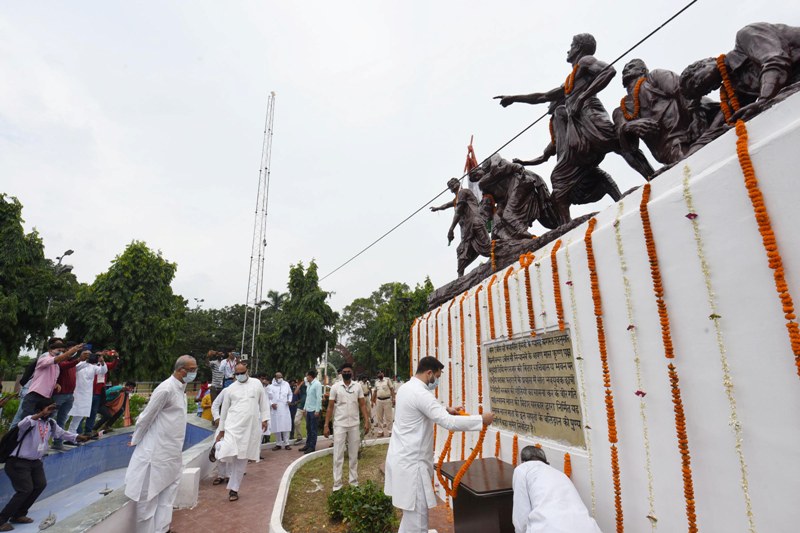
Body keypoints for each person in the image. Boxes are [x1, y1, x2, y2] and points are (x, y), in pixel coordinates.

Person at [384, 356, 494, 533]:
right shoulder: (421, 393)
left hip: (402, 460)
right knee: (417, 522)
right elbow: (449, 423)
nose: (437, 381)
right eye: (437, 376)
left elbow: (422, 411)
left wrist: (446, 409)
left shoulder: (406, 388)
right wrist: (482, 420)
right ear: (429, 373)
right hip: (413, 466)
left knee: (410, 518)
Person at [124, 355, 197, 533]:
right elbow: (146, 417)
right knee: (147, 500)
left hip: (172, 453)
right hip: (155, 453)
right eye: (192, 370)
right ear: (181, 370)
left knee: (167, 499)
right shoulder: (166, 389)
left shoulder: (182, 389)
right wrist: (136, 439)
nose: (195, 373)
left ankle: (162, 529)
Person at [0, 397, 89, 531]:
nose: (52, 411)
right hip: (18, 463)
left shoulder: (50, 424)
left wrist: (77, 437)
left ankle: (18, 514)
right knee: (25, 489)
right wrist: (40, 414)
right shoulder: (30, 421)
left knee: (40, 485)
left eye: (54, 409)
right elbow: (22, 424)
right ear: (41, 409)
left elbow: (62, 434)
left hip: (35, 462)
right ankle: (1, 520)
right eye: (50, 408)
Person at [512, 446, 601, 533]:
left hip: (549, 528)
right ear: (545, 461)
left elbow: (521, 514)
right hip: (588, 528)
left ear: (523, 461)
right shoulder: (560, 473)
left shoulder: (522, 469)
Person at [216, 363, 269, 501]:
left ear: (247, 371)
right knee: (226, 451)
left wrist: (265, 419)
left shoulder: (257, 384)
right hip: (232, 426)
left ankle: (234, 489)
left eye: (242, 372)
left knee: (241, 460)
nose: (239, 375)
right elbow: (224, 410)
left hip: (249, 428)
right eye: (237, 373)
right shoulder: (230, 389)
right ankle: (216, 449)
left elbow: (263, 402)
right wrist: (221, 429)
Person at [14, 340, 85, 427]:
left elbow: (50, 376)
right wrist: (73, 351)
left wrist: (55, 383)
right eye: (58, 350)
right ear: (50, 350)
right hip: (35, 395)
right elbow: (56, 360)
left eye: (62, 351)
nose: (60, 353)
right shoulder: (45, 357)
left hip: (45, 397)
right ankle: (12, 439)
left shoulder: (56, 366)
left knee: (36, 424)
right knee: (24, 422)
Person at [323, 362, 370, 491]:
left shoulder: (358, 387)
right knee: (338, 455)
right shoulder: (335, 387)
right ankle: (337, 484)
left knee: (353, 455)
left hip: (354, 425)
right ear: (341, 373)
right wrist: (326, 425)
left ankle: (353, 482)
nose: (346, 373)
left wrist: (366, 421)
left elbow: (362, 405)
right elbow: (330, 407)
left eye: (349, 371)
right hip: (339, 425)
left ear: (352, 373)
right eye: (344, 372)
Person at [67, 350, 107, 435]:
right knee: (66, 415)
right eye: (86, 354)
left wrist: (102, 361)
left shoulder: (93, 367)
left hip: (86, 395)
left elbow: (103, 371)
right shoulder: (77, 363)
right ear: (81, 354)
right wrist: (86, 360)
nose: (88, 356)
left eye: (89, 354)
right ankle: (59, 436)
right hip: (75, 393)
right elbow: (77, 368)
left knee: (80, 415)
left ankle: (72, 435)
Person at [86, 350, 120, 435]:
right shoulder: (90, 366)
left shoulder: (104, 365)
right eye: (98, 356)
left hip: (100, 392)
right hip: (90, 391)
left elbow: (113, 365)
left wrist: (116, 357)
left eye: (100, 356)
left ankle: (89, 430)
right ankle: (82, 431)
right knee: (85, 412)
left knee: (93, 412)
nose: (100, 357)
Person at [267, 372, 293, 450]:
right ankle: (278, 443)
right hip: (275, 409)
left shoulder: (286, 384)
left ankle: (287, 443)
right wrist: (271, 404)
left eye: (281, 377)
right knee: (276, 426)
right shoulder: (270, 386)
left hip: (285, 408)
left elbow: (290, 394)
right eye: (278, 377)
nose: (280, 378)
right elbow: (267, 397)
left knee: (286, 425)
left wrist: (289, 400)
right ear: (275, 377)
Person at [298, 369, 322, 454]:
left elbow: (319, 398)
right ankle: (307, 445)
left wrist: (317, 410)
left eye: (307, 375)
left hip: (314, 410)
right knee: (308, 428)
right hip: (308, 409)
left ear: (310, 376)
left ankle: (312, 446)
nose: (306, 377)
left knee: (313, 429)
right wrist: (304, 408)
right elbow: (308, 398)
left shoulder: (317, 384)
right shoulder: (309, 384)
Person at [210, 386, 230, 486]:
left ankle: (229, 475)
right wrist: (217, 418)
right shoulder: (226, 390)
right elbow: (215, 404)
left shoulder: (246, 391)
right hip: (222, 424)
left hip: (237, 425)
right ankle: (220, 475)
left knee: (232, 450)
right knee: (219, 448)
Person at [372, 370, 395, 437]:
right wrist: (372, 400)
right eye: (378, 373)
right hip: (379, 401)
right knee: (379, 417)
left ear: (383, 373)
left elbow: (392, 389)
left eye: (380, 373)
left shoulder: (387, 380)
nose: (379, 374)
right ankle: (380, 431)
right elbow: (375, 392)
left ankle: (390, 431)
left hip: (387, 400)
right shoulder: (376, 382)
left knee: (388, 417)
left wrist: (393, 398)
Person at [293, 377, 308, 444]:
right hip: (301, 407)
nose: (296, 383)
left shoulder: (308, 385)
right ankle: (299, 437)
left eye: (297, 382)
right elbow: (295, 392)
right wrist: (299, 385)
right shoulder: (300, 386)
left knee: (308, 423)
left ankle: (309, 437)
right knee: (296, 421)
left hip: (308, 407)